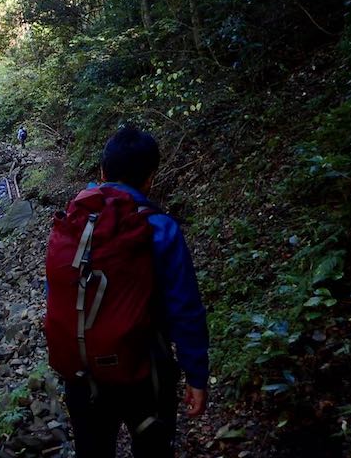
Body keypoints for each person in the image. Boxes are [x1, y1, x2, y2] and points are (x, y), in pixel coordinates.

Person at [63, 126, 209, 458]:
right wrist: (196, 375)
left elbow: (61, 294)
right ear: (150, 179)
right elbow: (184, 310)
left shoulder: (76, 221)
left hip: (83, 372)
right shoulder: (160, 229)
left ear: (101, 172)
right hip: (145, 373)